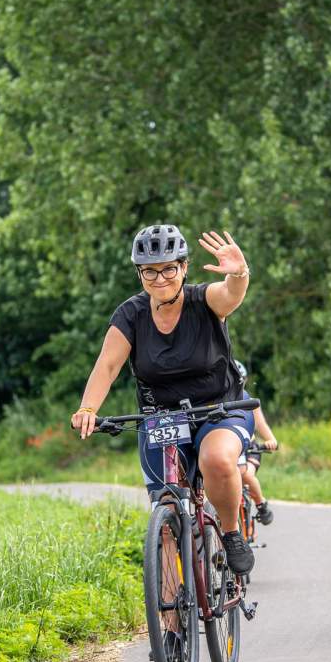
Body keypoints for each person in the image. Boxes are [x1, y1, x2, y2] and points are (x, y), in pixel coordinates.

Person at [70, 224, 255, 575]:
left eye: (169, 268)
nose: (159, 279)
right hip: (163, 419)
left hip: (220, 408)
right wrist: (88, 407)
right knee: (167, 513)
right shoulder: (131, 314)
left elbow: (231, 294)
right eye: (149, 271)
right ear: (139, 273)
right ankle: (170, 625)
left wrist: (239, 273)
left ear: (184, 268)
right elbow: (107, 365)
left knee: (216, 460)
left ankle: (231, 533)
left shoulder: (205, 300)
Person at [233, 360, 278, 525]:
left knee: (246, 475)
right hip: (232, 449)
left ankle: (261, 504)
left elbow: (260, 424)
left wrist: (270, 440)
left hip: (250, 448)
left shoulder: (249, 401)